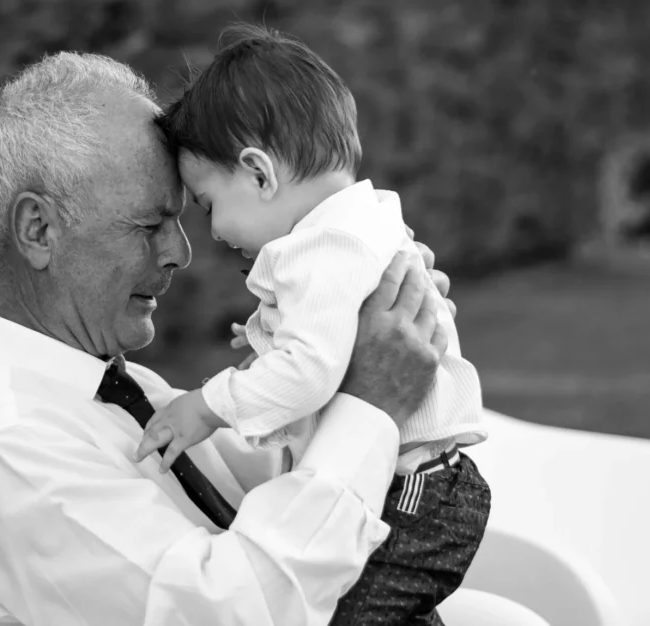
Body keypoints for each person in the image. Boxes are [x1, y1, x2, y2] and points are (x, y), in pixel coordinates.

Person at [0, 50, 479, 626]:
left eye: (181, 218)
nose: (180, 252)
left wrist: (346, 336)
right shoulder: (7, 449)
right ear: (38, 230)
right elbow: (235, 610)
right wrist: (370, 404)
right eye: (149, 225)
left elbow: (274, 487)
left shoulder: (112, 386)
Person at [148, 25, 489, 625]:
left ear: (259, 174)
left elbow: (311, 373)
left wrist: (207, 405)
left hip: (412, 490)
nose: (212, 233)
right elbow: (325, 348)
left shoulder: (325, 247)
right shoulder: (358, 223)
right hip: (423, 484)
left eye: (206, 205)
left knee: (335, 614)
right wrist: (273, 341)